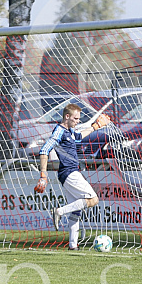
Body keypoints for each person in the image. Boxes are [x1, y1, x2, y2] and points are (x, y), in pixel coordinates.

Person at [34, 103, 111, 250]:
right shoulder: (60, 131)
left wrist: (96, 126)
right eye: (75, 118)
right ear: (67, 117)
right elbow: (44, 149)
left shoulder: (69, 131)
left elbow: (80, 136)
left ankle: (72, 246)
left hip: (68, 174)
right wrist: (43, 174)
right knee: (93, 199)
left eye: (78, 119)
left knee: (75, 212)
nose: (77, 121)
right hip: (69, 173)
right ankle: (59, 211)